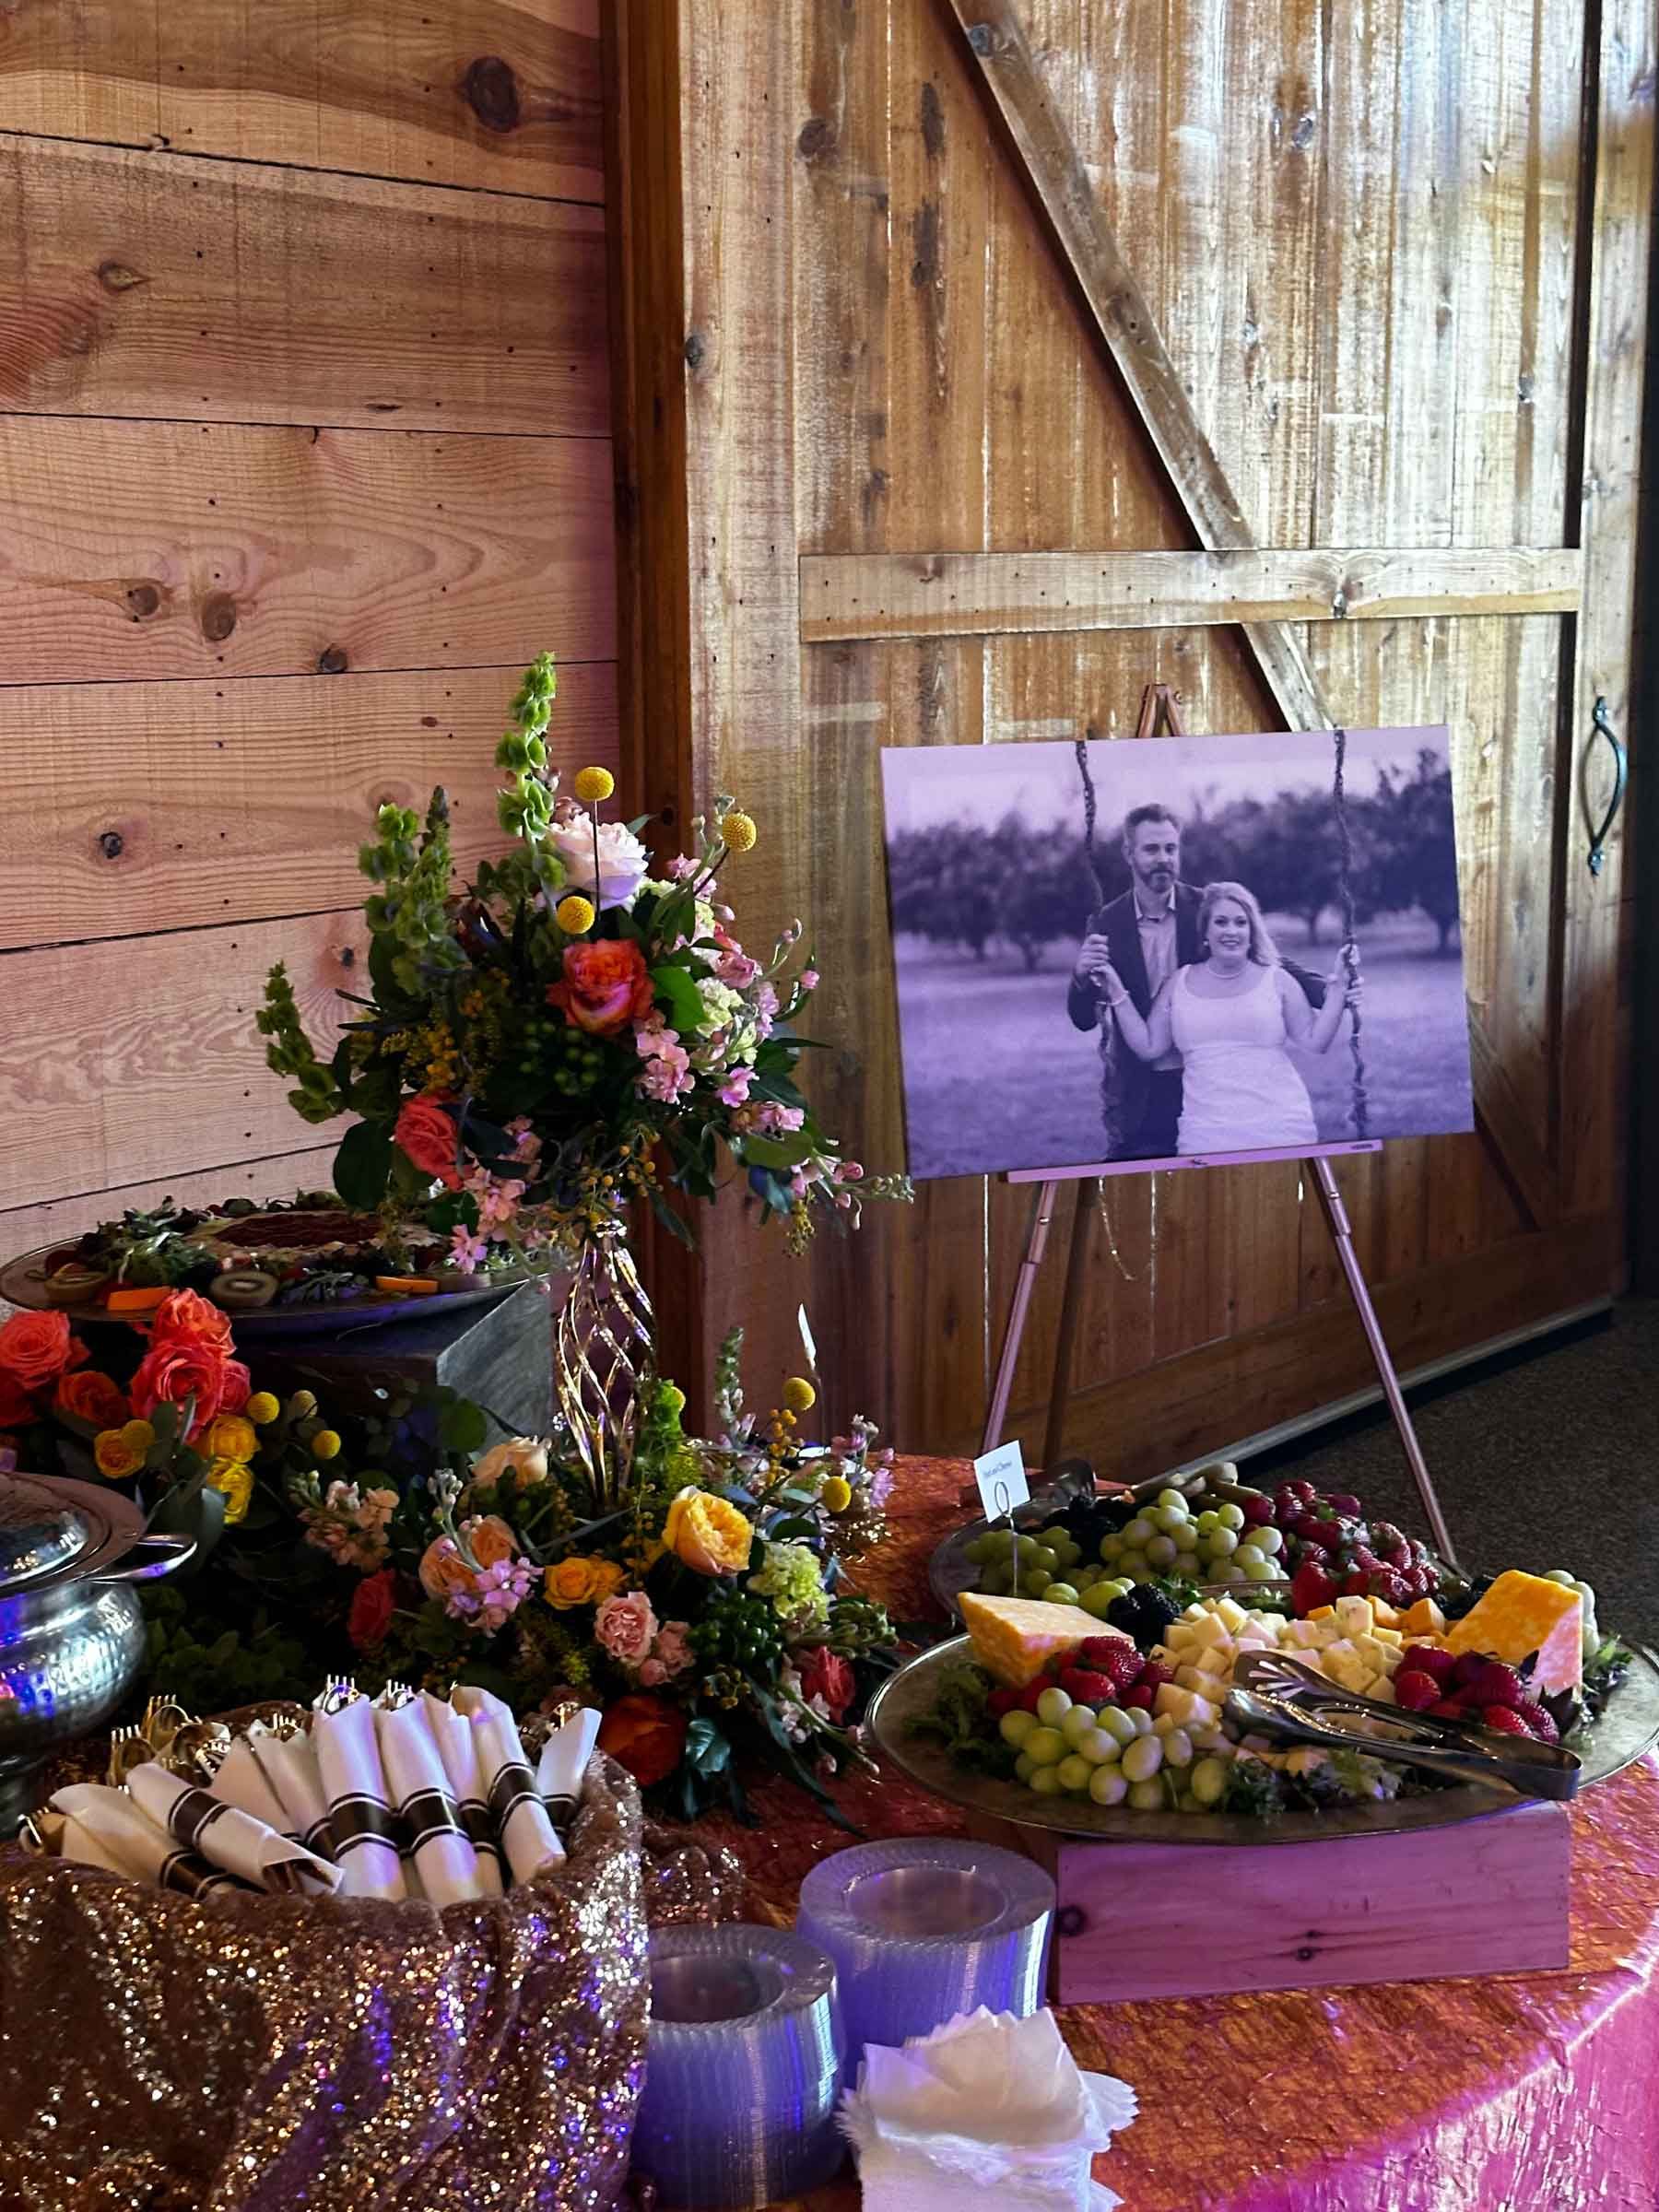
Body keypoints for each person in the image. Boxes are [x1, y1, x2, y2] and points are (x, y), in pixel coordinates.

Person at [1067, 804, 1325, 1157]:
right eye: (1152, 849)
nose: (1164, 859)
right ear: (1129, 853)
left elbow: (1267, 960)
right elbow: (1082, 1019)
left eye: (1171, 849)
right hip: (1143, 1089)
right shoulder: (1107, 923)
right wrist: (1082, 976)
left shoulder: (1206, 908)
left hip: (1206, 1081)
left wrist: (1329, 990)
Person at [1096, 881, 1362, 1154]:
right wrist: (1116, 990)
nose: (1231, 931)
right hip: (1206, 1132)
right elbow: (1148, 1046)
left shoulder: (1276, 979)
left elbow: (1315, 1041)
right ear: (1206, 933)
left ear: (1252, 932)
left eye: (1240, 923)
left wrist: (1339, 986)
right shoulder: (1178, 983)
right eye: (1221, 922)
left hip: (1280, 1125)